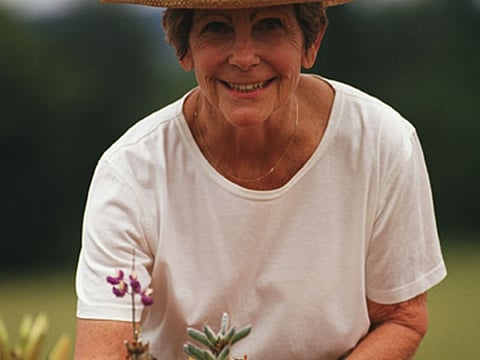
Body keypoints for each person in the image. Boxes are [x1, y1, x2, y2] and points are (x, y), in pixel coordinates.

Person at [74, 0, 447, 359]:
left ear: (311, 41)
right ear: (182, 47)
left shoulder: (381, 143)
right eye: (216, 28)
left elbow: (401, 317)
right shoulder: (131, 173)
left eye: (270, 25)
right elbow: (102, 353)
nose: (244, 57)